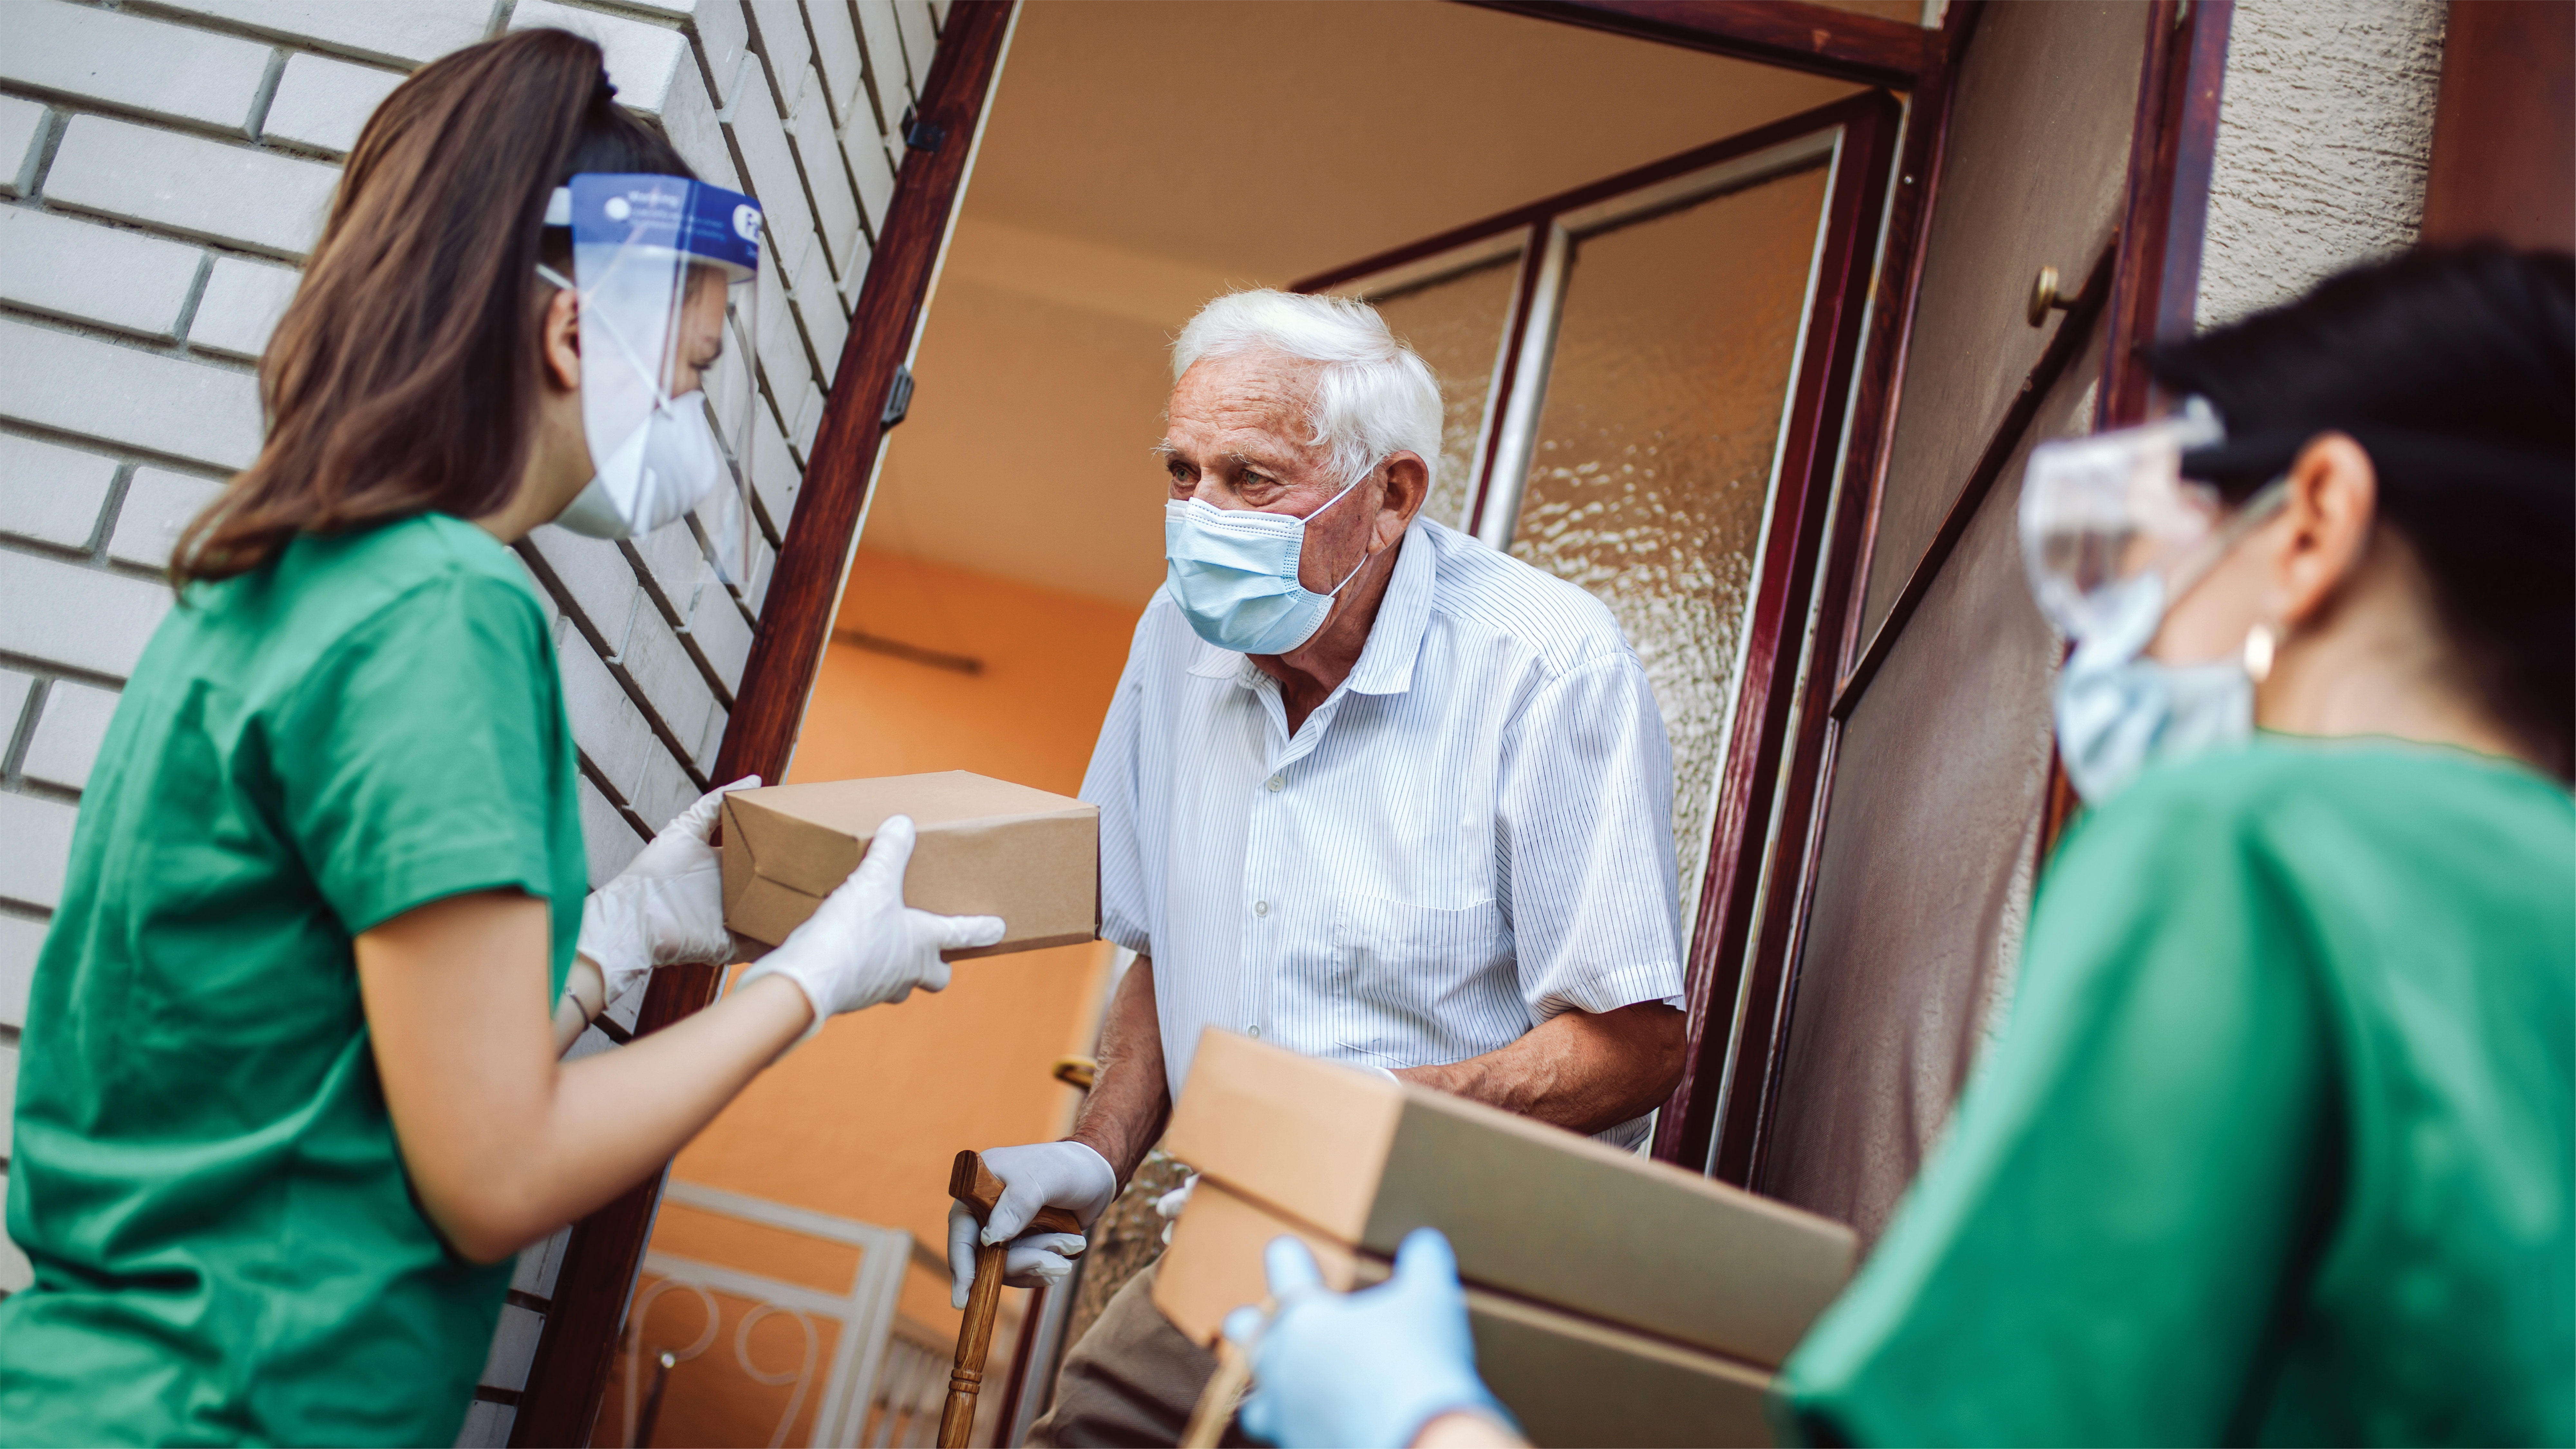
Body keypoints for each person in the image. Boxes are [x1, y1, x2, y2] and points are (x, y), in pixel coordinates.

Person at [1216, 247, 2575, 1448]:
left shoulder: (2252, 850)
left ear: (2320, 518)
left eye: (2189, 531)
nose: (2143, 620)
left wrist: (1416, 1424)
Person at [0, 31, 1001, 1446]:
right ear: (575, 334)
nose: (692, 420)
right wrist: (809, 987)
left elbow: (376, 1082)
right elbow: (493, 1165)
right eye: (694, 369)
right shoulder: (447, 612)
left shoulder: (291, 585)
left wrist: (618, 941)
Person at [956, 289, 1694, 1445]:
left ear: (1391, 496)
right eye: (1181, 473)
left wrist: (1370, 1119)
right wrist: (1093, 1153)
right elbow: (1172, 944)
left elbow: (1635, 1045)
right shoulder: (1173, 637)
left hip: (1449, 1281)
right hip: (1233, 1239)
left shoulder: (1547, 665)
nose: (1201, 516)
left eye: (1250, 481)